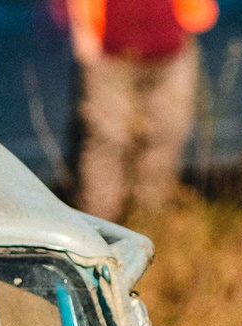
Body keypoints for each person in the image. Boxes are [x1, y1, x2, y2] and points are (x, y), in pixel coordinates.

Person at [72, 0, 217, 223]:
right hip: (108, 51)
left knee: (168, 131)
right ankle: (99, 227)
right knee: (109, 138)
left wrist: (193, 19)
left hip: (172, 47)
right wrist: (82, 31)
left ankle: (149, 221)